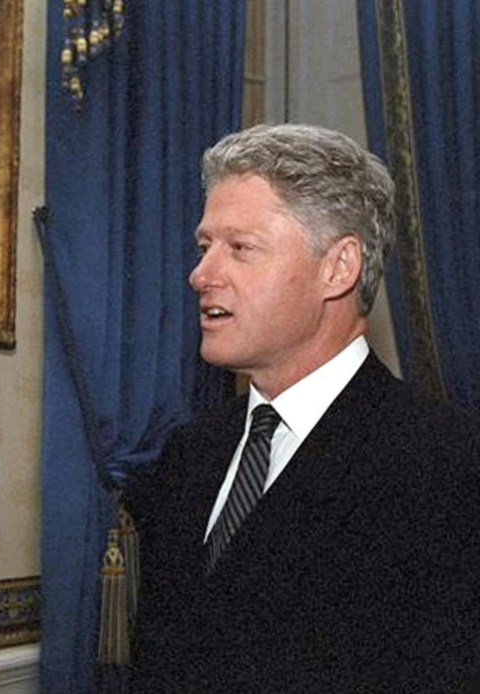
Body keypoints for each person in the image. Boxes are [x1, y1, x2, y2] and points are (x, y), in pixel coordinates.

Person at [128, 123, 480, 691]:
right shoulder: (189, 453)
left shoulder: (446, 464)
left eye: (239, 248)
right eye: (204, 247)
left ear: (338, 268)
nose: (201, 275)